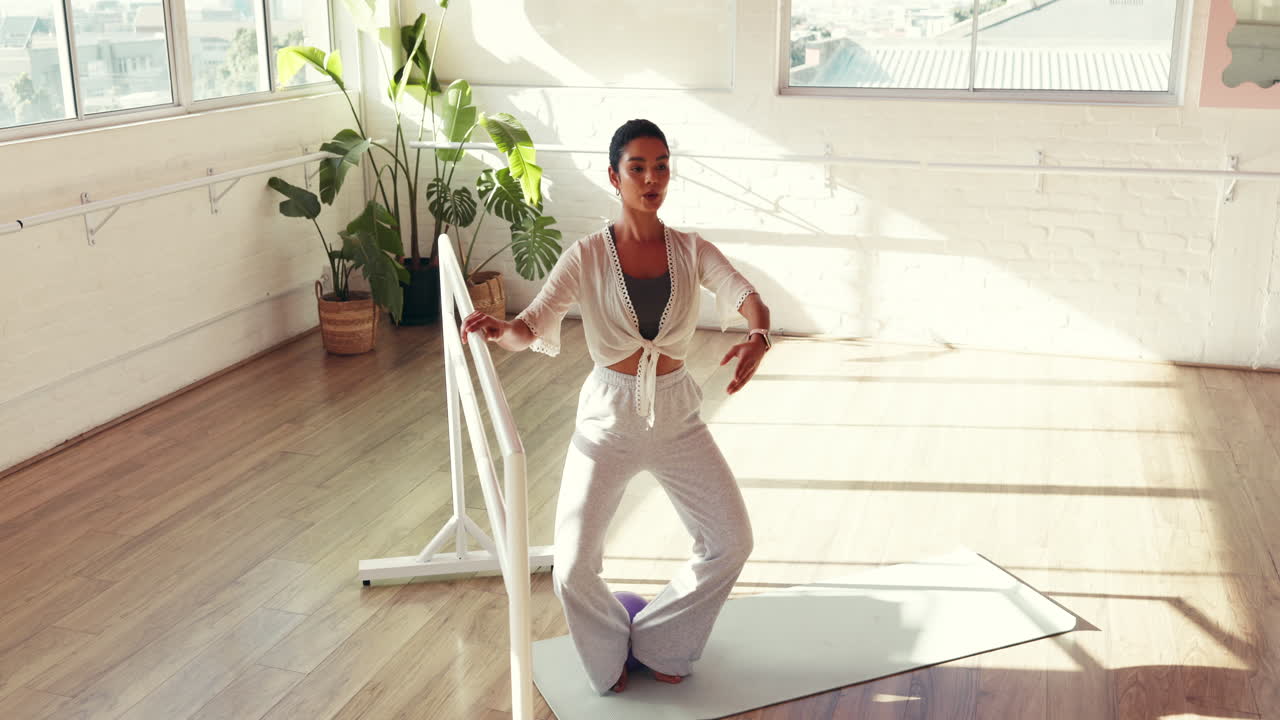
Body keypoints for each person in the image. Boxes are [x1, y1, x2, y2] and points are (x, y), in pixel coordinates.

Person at [460, 119, 771, 695]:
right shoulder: (587, 255)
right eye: (638, 167)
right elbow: (531, 326)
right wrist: (499, 329)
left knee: (732, 540)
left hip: (677, 415)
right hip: (607, 417)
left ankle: (658, 641)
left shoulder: (690, 249)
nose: (652, 178)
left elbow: (743, 293)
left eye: (661, 166)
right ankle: (608, 657)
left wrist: (758, 336)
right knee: (573, 569)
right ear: (614, 176)